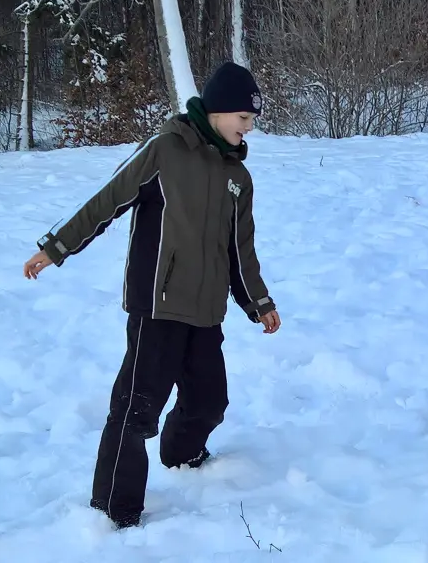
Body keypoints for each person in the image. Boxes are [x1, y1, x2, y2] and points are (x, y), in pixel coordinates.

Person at [22, 61, 282, 528]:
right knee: (136, 409)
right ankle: (115, 509)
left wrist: (258, 302)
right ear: (218, 111)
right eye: (244, 118)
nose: (249, 129)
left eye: (252, 121)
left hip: (206, 311)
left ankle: (181, 456)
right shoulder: (165, 150)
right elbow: (106, 200)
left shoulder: (238, 178)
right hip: (157, 307)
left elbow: (240, 249)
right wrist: (56, 247)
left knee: (210, 402)